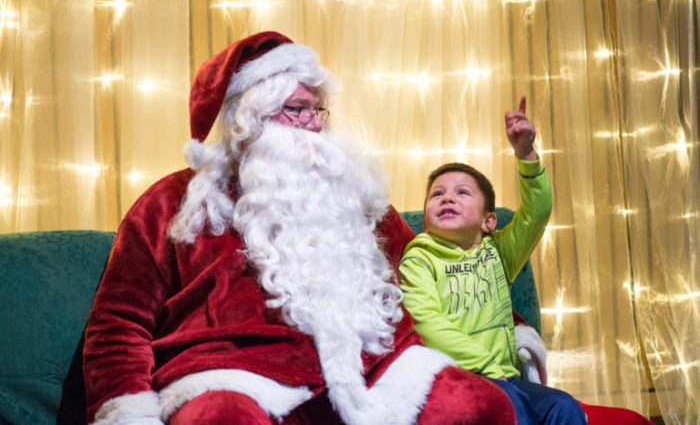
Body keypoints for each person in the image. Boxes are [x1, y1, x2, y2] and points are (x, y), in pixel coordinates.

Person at [82, 31, 518, 424]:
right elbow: (119, 324)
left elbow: (431, 269)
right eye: (298, 110)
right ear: (250, 120)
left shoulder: (352, 191)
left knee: (482, 405)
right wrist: (128, 408)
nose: (315, 123)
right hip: (235, 376)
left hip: (371, 373)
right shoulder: (174, 201)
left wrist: (512, 327)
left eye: (318, 109)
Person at [398, 98, 587, 425]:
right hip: (457, 379)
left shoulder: (498, 254)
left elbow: (536, 215)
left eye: (462, 193)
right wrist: (486, 365)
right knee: (510, 407)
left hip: (507, 378)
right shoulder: (419, 258)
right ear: (426, 220)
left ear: (488, 221)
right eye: (437, 194)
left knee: (563, 406)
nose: (447, 198)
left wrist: (526, 156)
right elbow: (428, 323)